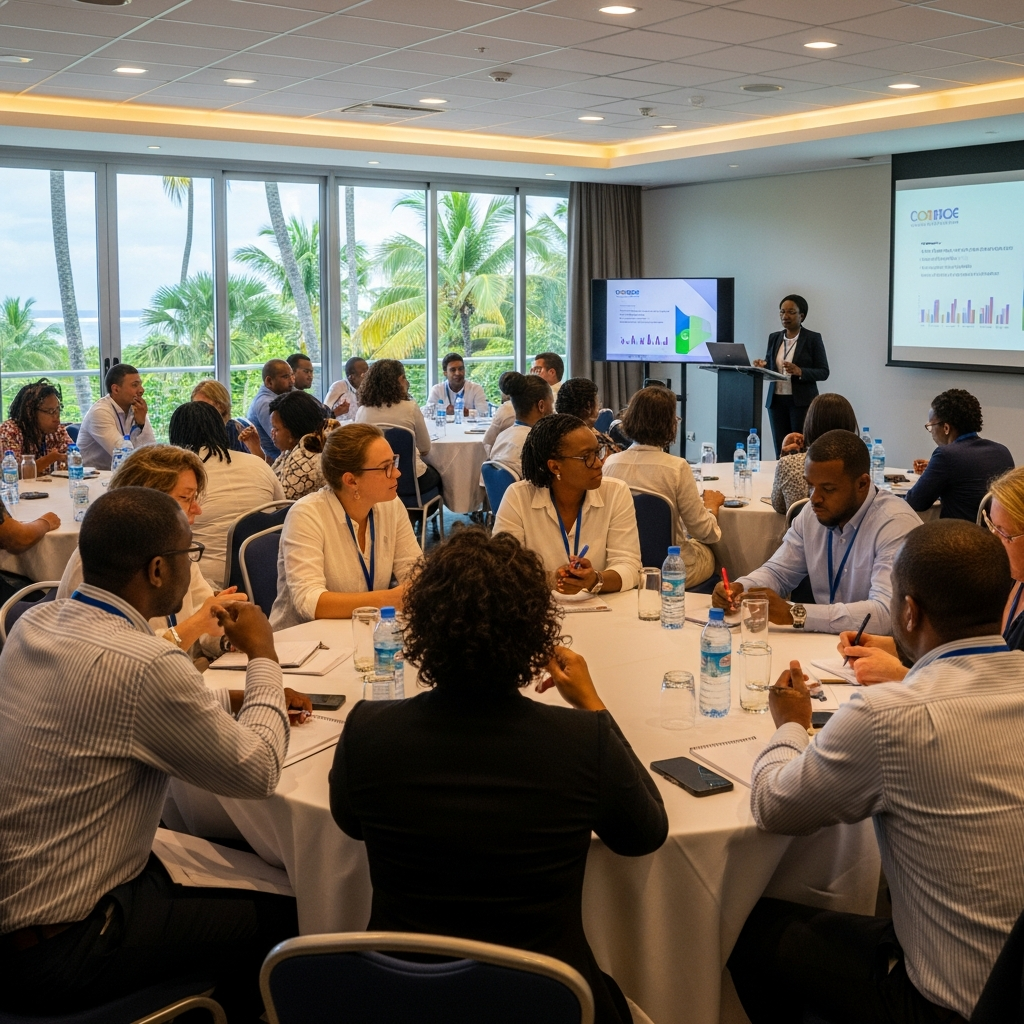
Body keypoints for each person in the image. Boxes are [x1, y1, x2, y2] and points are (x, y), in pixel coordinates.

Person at [329, 527, 668, 1024]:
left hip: (402, 998)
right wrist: (594, 707)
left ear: (420, 629)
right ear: (535, 634)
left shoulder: (368, 730)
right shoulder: (579, 741)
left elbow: (350, 824)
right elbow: (645, 833)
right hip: (546, 999)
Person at [0, 486, 311, 1021]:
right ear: (159, 570)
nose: (195, 569)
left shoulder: (36, 625)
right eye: (190, 555)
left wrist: (229, 695)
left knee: (213, 852)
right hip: (66, 947)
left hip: (19, 913)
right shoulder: (145, 663)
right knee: (294, 911)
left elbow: (118, 712)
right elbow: (259, 769)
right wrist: (263, 657)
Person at [727, 519, 1024, 1024]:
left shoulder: (890, 716)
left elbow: (771, 805)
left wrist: (792, 727)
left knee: (743, 930)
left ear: (908, 612)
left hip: (943, 1002)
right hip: (1008, 983)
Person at [713, 430, 921, 634]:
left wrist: (796, 613)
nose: (814, 498)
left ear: (862, 484)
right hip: (829, 644)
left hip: (882, 653)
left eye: (828, 489)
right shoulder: (812, 514)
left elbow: (886, 614)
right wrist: (742, 587)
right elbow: (779, 572)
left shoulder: (895, 526)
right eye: (810, 486)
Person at [57, 445, 247, 662]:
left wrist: (229, 637)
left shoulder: (176, 549)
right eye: (186, 498)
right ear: (148, 500)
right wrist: (198, 623)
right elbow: (128, 662)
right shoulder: (103, 559)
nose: (197, 509)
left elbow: (205, 620)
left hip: (177, 676)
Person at [841, 463, 1024, 682]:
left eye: (1004, 533)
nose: (992, 539)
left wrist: (903, 676)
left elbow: (1004, 697)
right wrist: (896, 648)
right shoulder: (1011, 579)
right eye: (990, 525)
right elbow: (970, 654)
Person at [270, 424, 420, 629]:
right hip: (303, 644)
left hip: (366, 633)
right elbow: (309, 601)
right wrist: (390, 599)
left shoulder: (391, 505)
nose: (397, 473)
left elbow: (414, 572)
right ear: (351, 480)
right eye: (386, 467)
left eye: (394, 462)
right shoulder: (307, 514)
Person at [493, 414, 641, 595]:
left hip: (602, 608)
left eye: (597, 452)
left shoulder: (616, 492)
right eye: (586, 457)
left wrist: (595, 579)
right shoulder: (518, 497)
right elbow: (504, 567)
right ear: (555, 467)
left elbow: (630, 565)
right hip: (538, 608)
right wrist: (550, 580)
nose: (598, 463)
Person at [603, 385, 725, 588]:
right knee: (712, 552)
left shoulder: (610, 463)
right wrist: (711, 509)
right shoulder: (676, 467)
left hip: (622, 566)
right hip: (670, 570)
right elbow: (703, 531)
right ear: (670, 424)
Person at [168, 401, 286, 589]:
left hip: (205, 582)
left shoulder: (181, 477)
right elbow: (283, 511)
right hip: (267, 577)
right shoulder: (258, 465)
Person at [906, 388, 1014, 522]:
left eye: (931, 426)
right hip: (996, 537)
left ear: (946, 428)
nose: (931, 432)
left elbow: (915, 502)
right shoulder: (1002, 451)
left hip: (959, 538)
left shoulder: (946, 456)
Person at [752, 294, 829, 457]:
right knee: (781, 447)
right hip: (776, 401)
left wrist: (800, 371)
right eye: (782, 312)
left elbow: (824, 371)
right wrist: (762, 365)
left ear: (802, 315)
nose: (785, 316)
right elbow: (771, 364)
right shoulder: (774, 337)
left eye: (791, 312)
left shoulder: (812, 338)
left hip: (801, 402)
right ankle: (781, 477)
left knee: (801, 447)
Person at [355, 359, 441, 493]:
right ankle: (421, 512)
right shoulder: (410, 408)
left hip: (374, 482)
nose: (407, 383)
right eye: (404, 378)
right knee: (439, 475)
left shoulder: (362, 412)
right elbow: (425, 448)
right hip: (410, 481)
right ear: (398, 381)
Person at [770, 393, 859, 515]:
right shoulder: (856, 463)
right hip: (846, 533)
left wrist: (784, 458)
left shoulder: (788, 464)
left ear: (810, 424)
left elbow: (779, 506)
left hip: (801, 533)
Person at [242, 390, 329, 500]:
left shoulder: (304, 458)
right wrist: (256, 449)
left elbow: (277, 503)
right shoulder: (296, 448)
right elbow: (271, 480)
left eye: (276, 429)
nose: (272, 432)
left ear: (293, 431)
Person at [77, 363, 156, 471]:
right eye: (134, 385)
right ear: (116, 389)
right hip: (93, 479)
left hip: (121, 475)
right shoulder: (100, 412)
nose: (141, 390)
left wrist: (140, 424)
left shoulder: (137, 409)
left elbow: (151, 451)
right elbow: (123, 456)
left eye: (140, 385)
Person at [486, 372, 553, 478]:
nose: (553, 410)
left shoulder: (502, 437)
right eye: (552, 403)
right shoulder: (536, 445)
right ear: (541, 406)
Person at [0, 378, 74, 474]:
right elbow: (14, 474)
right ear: (30, 412)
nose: (57, 418)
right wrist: (50, 459)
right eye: (51, 412)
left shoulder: (57, 430)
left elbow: (75, 458)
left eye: (58, 410)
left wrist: (70, 459)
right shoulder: (10, 432)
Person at [555, 377, 624, 454]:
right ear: (588, 407)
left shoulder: (556, 436)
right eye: (597, 400)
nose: (599, 405)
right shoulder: (595, 442)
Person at [190, 378, 256, 455]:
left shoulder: (231, 429)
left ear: (221, 406)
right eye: (195, 406)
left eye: (204, 406)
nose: (198, 411)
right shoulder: (196, 430)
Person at [246, 358, 294, 461]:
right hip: (274, 461)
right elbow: (285, 441)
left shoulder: (281, 395)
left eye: (292, 375)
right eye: (285, 377)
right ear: (269, 381)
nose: (291, 381)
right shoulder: (266, 403)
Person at [426, 352, 489, 416]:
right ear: (445, 373)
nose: (457, 373)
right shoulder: (437, 390)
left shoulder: (476, 389)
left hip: (470, 426)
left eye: (460, 369)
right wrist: (444, 411)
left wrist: (466, 412)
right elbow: (427, 413)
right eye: (453, 370)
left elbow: (484, 413)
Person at [286, 353, 333, 418]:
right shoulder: (289, 398)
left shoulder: (304, 396)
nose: (310, 376)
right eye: (306, 371)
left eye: (311, 372)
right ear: (292, 372)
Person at [482, 370, 517, 453]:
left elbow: (487, 440)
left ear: (502, 390)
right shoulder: (531, 404)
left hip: (505, 456)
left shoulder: (506, 409)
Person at [324, 356, 369, 421]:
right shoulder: (339, 386)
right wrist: (337, 412)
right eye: (364, 374)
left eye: (369, 372)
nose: (368, 376)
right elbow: (324, 412)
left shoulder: (368, 389)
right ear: (351, 377)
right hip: (340, 429)